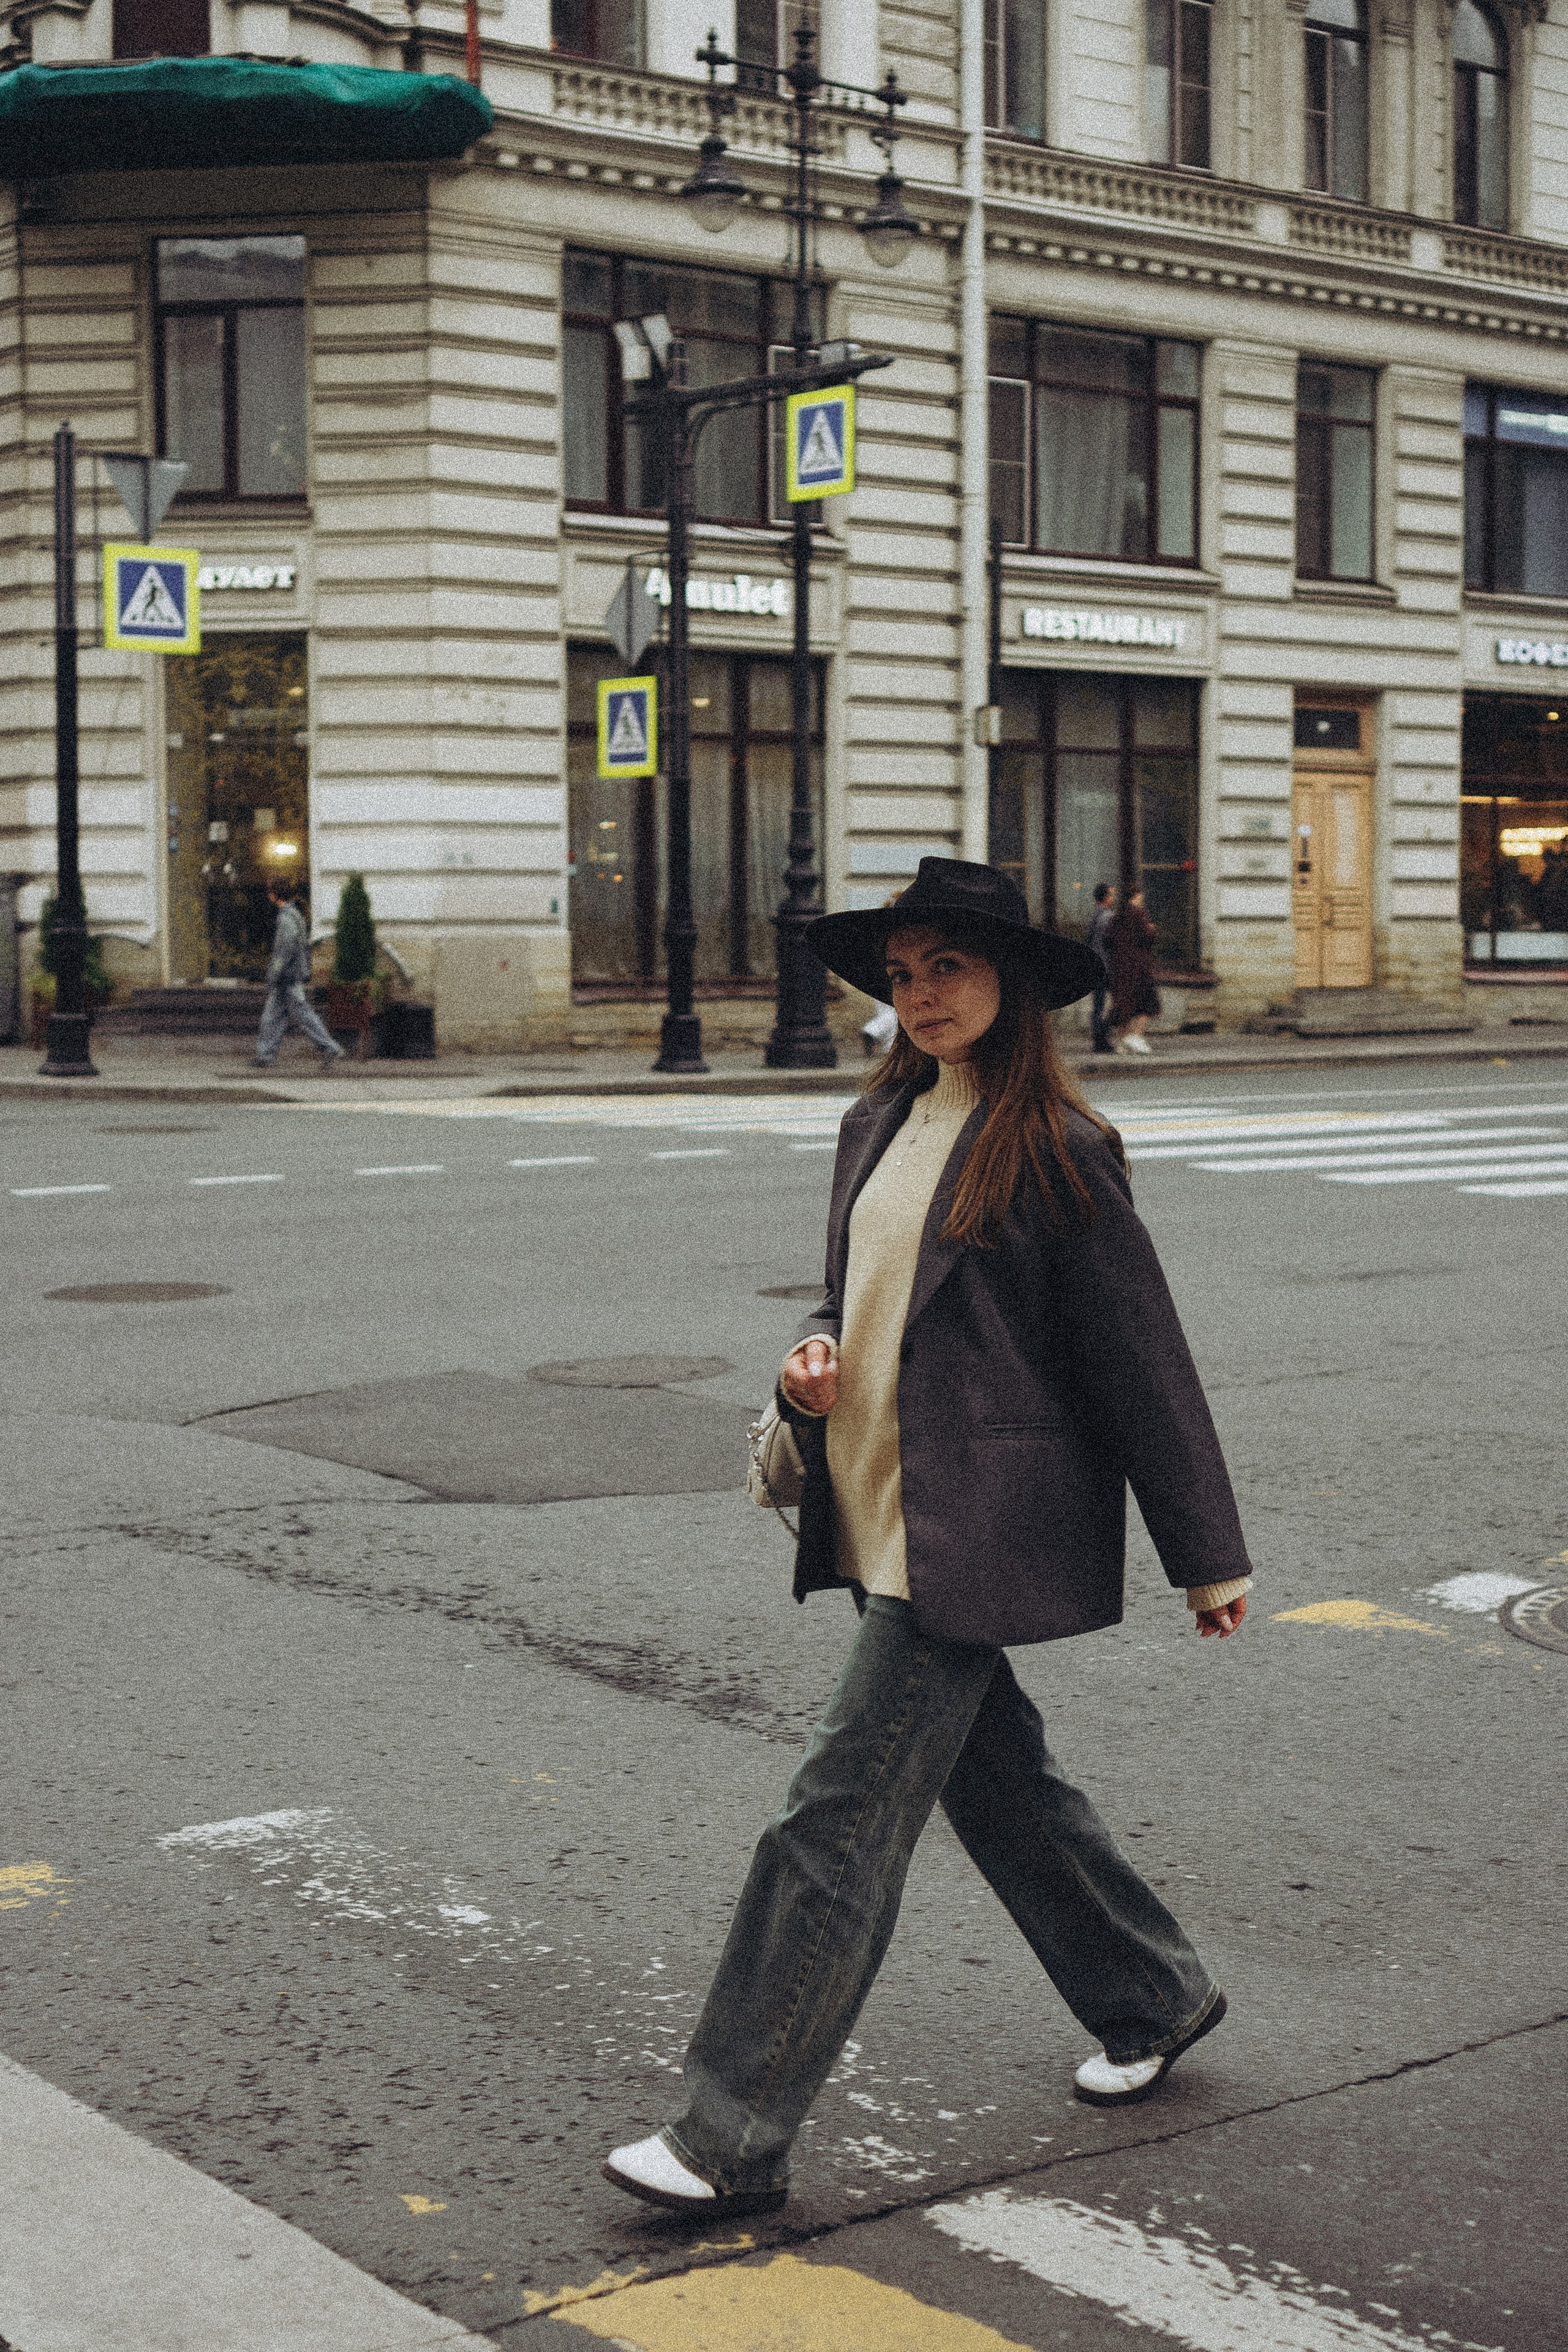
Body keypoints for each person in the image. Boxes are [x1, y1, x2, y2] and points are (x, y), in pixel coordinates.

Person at [603, 856, 1254, 2222]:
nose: (919, 996)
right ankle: (1152, 1991)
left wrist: (1205, 1550)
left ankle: (728, 2136)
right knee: (996, 1782)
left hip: (970, 1534)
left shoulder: (1058, 1151)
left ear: (1009, 979)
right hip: (876, 1494)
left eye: (945, 968)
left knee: (831, 1823)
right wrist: (806, 1370)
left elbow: (1140, 1358)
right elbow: (855, 1297)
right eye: (900, 976)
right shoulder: (880, 1118)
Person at [254, 882, 344, 1069]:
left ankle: (330, 1047)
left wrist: (273, 974)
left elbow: (285, 949)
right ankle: (265, 1056)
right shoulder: (295, 915)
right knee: (273, 1018)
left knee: (302, 1016)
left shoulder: (286, 919)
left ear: (274, 896)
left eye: (270, 893)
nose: (268, 896)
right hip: (289, 977)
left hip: (287, 978)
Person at [1108, 886, 1160, 1056]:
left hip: (1120, 968)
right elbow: (1149, 936)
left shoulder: (1117, 916)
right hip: (1139, 966)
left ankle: (1123, 1041)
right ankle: (1136, 1036)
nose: (1142, 900)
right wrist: (1152, 929)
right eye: (1140, 897)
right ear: (1136, 897)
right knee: (1147, 1003)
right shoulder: (1139, 914)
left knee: (1124, 1004)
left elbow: (1107, 938)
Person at [1086, 881, 1116, 1054]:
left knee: (1097, 1004)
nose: (1113, 898)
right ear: (1106, 897)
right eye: (1111, 894)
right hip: (1106, 965)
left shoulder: (1092, 916)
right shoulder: (1108, 917)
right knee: (1106, 1004)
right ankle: (1102, 1038)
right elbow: (1111, 942)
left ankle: (1098, 1038)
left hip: (1094, 964)